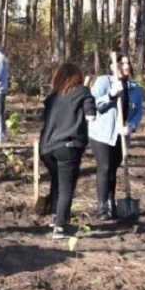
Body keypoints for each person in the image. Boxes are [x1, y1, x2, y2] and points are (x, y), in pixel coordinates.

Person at [39, 63, 97, 239]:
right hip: (68, 146)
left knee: (57, 182)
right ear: (76, 76)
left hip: (47, 148)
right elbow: (91, 117)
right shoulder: (83, 91)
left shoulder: (52, 98)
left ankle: (56, 216)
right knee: (66, 188)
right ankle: (60, 227)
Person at [89, 53, 145, 220]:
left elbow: (139, 111)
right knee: (105, 168)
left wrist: (131, 126)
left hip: (121, 136)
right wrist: (111, 95)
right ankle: (102, 206)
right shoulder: (104, 82)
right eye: (123, 63)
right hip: (101, 134)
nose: (126, 66)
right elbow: (92, 104)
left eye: (128, 63)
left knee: (113, 170)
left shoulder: (134, 87)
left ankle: (111, 202)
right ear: (114, 66)